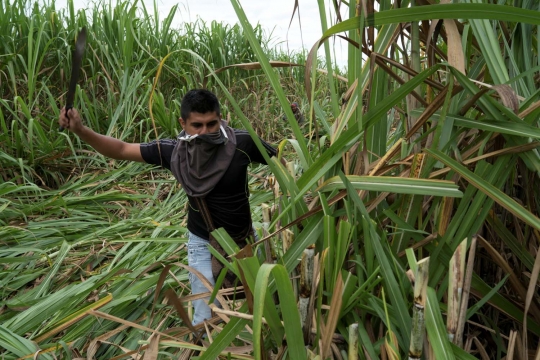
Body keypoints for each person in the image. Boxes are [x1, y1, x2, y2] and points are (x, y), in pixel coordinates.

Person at [58, 89, 278, 325]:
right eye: (197, 125)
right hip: (203, 244)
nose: (205, 132)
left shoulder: (242, 143)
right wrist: (80, 130)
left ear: (221, 118)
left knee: (263, 308)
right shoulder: (173, 152)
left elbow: (281, 161)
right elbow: (121, 149)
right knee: (206, 320)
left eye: (212, 124)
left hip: (245, 239)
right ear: (183, 123)